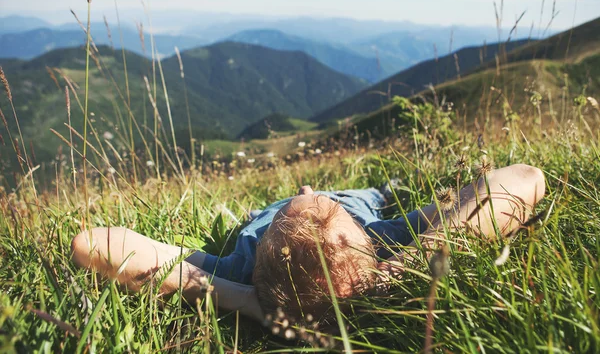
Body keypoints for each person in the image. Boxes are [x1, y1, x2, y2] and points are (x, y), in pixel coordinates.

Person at [71, 164, 545, 323]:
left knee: (390, 191)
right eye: (311, 200)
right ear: (362, 238)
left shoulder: (238, 266)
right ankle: (382, 191)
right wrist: (412, 260)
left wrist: (238, 299)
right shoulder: (383, 239)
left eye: (300, 205)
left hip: (263, 252)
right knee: (384, 197)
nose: (305, 190)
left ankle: (387, 186)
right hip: (367, 205)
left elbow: (95, 244)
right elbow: (525, 181)